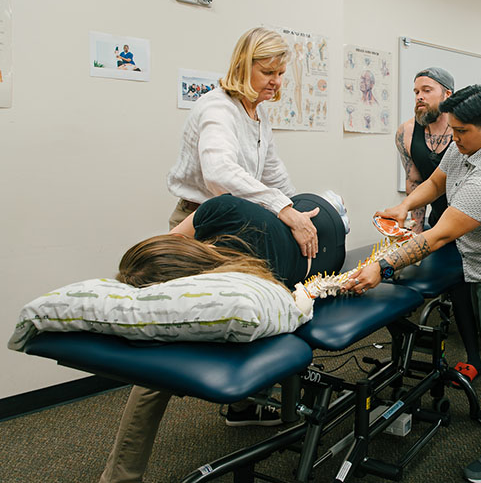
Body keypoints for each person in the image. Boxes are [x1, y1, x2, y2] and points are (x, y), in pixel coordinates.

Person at [347, 85, 481, 483]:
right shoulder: (466, 145)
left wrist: (382, 267)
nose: (453, 138)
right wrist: (404, 205)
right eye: (452, 129)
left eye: (461, 131)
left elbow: (437, 237)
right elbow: (437, 182)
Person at [100, 192, 348, 483]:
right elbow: (174, 238)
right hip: (300, 209)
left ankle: (118, 478)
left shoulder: (247, 287)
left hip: (327, 245)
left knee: (154, 377)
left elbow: (289, 312)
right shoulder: (218, 209)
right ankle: (243, 409)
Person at [166, 26, 319, 260]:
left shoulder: (258, 114)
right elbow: (219, 172)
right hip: (199, 224)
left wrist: (296, 210)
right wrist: (281, 208)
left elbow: (273, 174)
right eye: (268, 72)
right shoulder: (218, 108)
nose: (276, 82)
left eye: (280, 73)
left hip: (234, 222)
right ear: (244, 66)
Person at [395, 67, 481, 382]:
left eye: (427, 90)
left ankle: (477, 357)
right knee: (449, 285)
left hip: (472, 221)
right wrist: (412, 234)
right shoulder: (406, 133)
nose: (419, 97)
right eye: (416, 91)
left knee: (468, 289)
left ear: (447, 94)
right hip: (437, 222)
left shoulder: (466, 133)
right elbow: (415, 181)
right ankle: (419, 353)